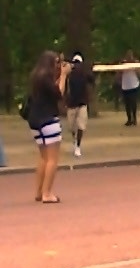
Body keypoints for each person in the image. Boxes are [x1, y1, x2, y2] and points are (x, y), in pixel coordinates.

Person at [26, 51, 67, 203]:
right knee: (52, 159)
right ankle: (47, 193)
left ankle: (39, 190)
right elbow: (59, 93)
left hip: (34, 120)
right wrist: (63, 76)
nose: (58, 65)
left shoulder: (37, 77)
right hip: (48, 119)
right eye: (56, 62)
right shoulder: (46, 78)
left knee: (43, 157)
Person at [62, 53, 91, 158]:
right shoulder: (69, 74)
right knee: (72, 127)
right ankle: (75, 141)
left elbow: (92, 80)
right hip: (71, 104)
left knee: (80, 126)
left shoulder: (85, 74)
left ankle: (78, 145)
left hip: (82, 103)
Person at [118, 55, 140, 126]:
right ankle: (129, 119)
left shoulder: (135, 62)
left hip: (134, 85)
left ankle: (134, 118)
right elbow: (118, 73)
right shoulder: (122, 63)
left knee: (133, 102)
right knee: (127, 104)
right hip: (125, 86)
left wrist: (136, 65)